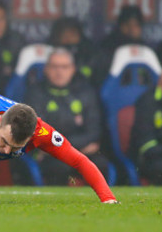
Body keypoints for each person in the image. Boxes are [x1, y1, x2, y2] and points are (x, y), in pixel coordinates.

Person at [24, 48, 109, 185]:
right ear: (46, 69)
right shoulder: (35, 93)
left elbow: (94, 131)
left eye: (64, 67)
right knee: (60, 167)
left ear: (73, 69)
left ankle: (98, 204)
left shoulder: (86, 92)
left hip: (73, 151)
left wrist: (67, 148)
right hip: (50, 156)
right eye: (54, 67)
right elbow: (37, 131)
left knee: (100, 164)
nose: (59, 71)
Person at [132, 62, 162, 185]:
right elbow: (145, 143)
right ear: (160, 83)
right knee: (160, 167)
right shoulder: (147, 102)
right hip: (155, 158)